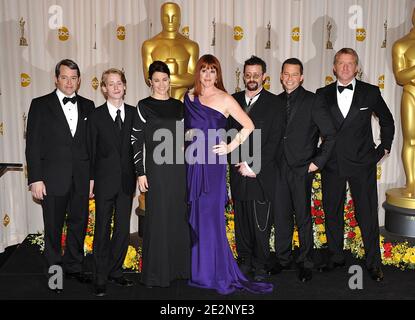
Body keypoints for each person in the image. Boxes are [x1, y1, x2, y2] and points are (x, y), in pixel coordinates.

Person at [184, 54, 273, 294]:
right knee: (196, 216)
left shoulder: (225, 98)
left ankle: (216, 272)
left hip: (213, 164)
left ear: (218, 74)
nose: (208, 75)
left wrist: (229, 147)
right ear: (198, 72)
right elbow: (186, 129)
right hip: (193, 163)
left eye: (213, 71)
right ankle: (199, 271)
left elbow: (249, 125)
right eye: (204, 70)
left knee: (211, 218)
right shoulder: (189, 97)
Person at [316, 48, 395, 281]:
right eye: (341, 63)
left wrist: (384, 148)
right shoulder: (322, 93)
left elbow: (387, 120)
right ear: (334, 67)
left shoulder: (370, 92)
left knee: (367, 214)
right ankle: (336, 257)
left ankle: (373, 263)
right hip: (332, 163)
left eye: (350, 63)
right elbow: (314, 127)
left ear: (357, 67)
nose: (346, 67)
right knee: (332, 212)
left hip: (362, 163)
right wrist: (314, 158)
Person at [25, 59, 95, 293]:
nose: (69, 82)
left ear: (79, 80)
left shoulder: (89, 105)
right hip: (52, 179)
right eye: (64, 77)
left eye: (74, 78)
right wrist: (35, 178)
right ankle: (54, 274)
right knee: (53, 228)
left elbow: (92, 146)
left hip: (82, 179)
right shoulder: (40, 104)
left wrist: (92, 178)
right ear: (56, 78)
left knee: (78, 224)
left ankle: (74, 267)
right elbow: (33, 146)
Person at [271, 58, 336, 282]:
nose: (289, 78)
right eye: (286, 74)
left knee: (303, 216)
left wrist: (317, 162)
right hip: (278, 167)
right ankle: (282, 259)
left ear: (301, 77)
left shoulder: (313, 100)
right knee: (281, 216)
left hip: (302, 168)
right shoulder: (275, 101)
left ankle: (306, 262)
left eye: (294, 74)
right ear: (281, 76)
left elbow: (330, 134)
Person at [132, 61, 190, 288]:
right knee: (158, 218)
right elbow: (135, 140)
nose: (161, 84)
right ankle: (157, 274)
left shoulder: (179, 105)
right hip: (156, 170)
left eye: (165, 80)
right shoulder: (143, 105)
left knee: (178, 215)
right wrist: (141, 173)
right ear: (150, 82)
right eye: (156, 80)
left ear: (169, 80)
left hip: (178, 168)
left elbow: (186, 136)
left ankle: (180, 269)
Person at [228, 56, 285, 281]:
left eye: (256, 75)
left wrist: (253, 165)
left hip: (261, 174)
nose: (252, 79)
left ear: (264, 77)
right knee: (242, 221)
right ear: (243, 75)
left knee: (260, 223)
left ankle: (260, 264)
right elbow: (228, 134)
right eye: (248, 74)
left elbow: (275, 140)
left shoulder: (275, 103)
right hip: (237, 172)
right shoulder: (232, 100)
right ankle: (244, 261)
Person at [88, 68, 137, 296]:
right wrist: (90, 180)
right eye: (111, 83)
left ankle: (116, 272)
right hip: (104, 182)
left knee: (122, 230)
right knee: (102, 229)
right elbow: (90, 151)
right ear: (104, 88)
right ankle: (100, 276)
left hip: (127, 182)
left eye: (119, 83)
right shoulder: (95, 116)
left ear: (125, 86)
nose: (116, 87)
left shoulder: (135, 113)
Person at [141, 2, 199, 101]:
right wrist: (176, 78)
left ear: (180, 18)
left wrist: (162, 79)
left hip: (183, 102)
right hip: (158, 102)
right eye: (166, 16)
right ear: (160, 18)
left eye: (174, 17)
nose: (170, 21)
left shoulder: (191, 46)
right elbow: (148, 78)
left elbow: (193, 79)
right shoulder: (149, 45)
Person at [392, 9, 415, 197]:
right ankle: (411, 182)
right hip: (411, 94)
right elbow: (400, 77)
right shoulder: (401, 45)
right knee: (411, 140)